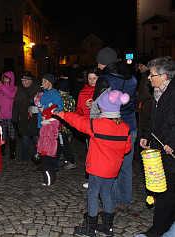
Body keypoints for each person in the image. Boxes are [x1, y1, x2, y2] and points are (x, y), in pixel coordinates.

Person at [53, 90, 132, 237]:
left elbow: (77, 121)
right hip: (113, 169)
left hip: (97, 168)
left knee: (93, 194)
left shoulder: (97, 124)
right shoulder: (125, 128)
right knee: (106, 193)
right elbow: (127, 149)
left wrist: (61, 113)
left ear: (102, 108)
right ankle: (108, 227)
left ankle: (91, 228)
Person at [96, 47, 138, 211]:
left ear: (104, 62)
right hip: (130, 127)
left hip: (111, 128)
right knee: (126, 167)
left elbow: (98, 104)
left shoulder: (104, 79)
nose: (98, 66)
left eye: (99, 62)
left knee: (110, 167)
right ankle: (124, 202)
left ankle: (110, 203)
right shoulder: (132, 78)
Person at [138, 56, 175, 237]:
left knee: (166, 191)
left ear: (164, 76)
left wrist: (174, 144)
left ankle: (158, 229)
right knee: (163, 188)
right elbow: (153, 120)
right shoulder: (157, 93)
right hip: (160, 149)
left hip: (171, 152)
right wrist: (146, 135)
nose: (148, 78)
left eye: (152, 75)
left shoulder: (173, 94)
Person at [12, 71, 42, 163]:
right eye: (22, 81)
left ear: (31, 81)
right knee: (25, 140)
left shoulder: (37, 89)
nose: (23, 83)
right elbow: (16, 104)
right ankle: (25, 157)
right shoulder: (20, 90)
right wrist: (15, 117)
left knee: (36, 139)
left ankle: (38, 157)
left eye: (26, 81)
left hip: (34, 119)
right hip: (23, 119)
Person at [0, 71, 17, 159]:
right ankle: (2, 151)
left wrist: (2, 86)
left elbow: (10, 95)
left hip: (9, 116)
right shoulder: (0, 89)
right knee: (1, 135)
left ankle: (12, 152)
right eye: (4, 78)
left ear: (11, 79)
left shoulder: (14, 88)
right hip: (0, 115)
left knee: (11, 134)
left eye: (7, 78)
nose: (5, 80)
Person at [37, 105, 63, 186]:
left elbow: (47, 140)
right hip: (50, 150)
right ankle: (52, 178)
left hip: (47, 150)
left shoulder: (48, 127)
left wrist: (43, 150)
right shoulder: (50, 125)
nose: (42, 118)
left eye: (43, 116)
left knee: (46, 166)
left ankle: (48, 180)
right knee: (50, 165)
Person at [55, 80, 77, 169]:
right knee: (61, 143)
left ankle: (71, 161)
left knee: (64, 144)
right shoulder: (70, 99)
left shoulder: (63, 100)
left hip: (63, 127)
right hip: (68, 126)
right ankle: (59, 157)